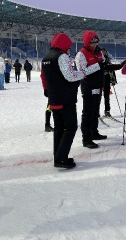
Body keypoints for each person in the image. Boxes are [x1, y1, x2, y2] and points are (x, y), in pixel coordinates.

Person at [75, 30, 126, 149]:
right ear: (87, 42)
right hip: (88, 87)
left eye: (96, 42)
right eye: (92, 42)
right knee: (87, 113)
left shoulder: (99, 52)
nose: (94, 44)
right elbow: (81, 72)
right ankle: (86, 139)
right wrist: (98, 65)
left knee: (95, 111)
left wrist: (120, 65)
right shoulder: (81, 54)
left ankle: (94, 132)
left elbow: (105, 65)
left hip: (98, 86)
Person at [41, 33, 85, 169]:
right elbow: (70, 76)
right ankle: (61, 159)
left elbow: (43, 77)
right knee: (71, 127)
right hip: (65, 97)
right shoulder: (62, 56)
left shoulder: (46, 57)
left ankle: (58, 156)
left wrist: (47, 90)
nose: (69, 49)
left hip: (54, 98)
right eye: (69, 46)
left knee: (59, 128)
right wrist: (82, 74)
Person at [101, 48, 118, 117]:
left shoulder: (108, 60)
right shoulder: (97, 59)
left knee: (106, 97)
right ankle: (96, 111)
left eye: (104, 52)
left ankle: (107, 111)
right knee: (97, 97)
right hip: (99, 80)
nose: (103, 53)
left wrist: (113, 80)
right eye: (101, 52)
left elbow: (112, 71)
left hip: (107, 80)